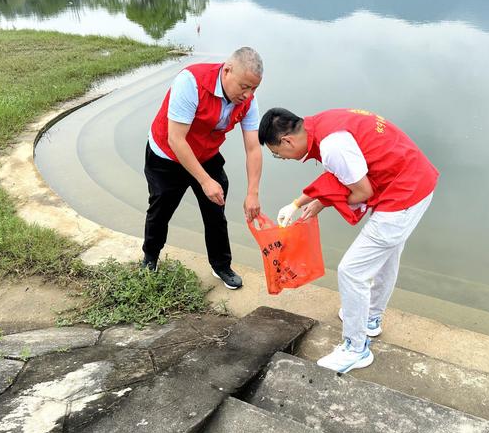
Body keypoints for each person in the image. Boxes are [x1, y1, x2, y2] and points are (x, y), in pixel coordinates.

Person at [258, 107, 439, 373]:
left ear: (287, 141)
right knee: (387, 256)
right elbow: (343, 177)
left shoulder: (332, 145)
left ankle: (356, 348)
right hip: (414, 180)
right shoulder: (323, 124)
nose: (282, 158)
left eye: (277, 154)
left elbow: (362, 192)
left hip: (403, 194)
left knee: (351, 271)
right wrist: (299, 203)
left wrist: (323, 202)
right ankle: (371, 319)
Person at [142, 47, 264, 289]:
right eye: (244, 86)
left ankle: (221, 265)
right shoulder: (191, 83)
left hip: (206, 153)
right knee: (161, 208)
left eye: (254, 89)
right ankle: (150, 258)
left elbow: (253, 148)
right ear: (227, 70)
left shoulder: (248, 100)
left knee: (215, 210)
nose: (248, 94)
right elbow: (176, 139)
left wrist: (253, 193)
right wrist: (205, 180)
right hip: (167, 154)